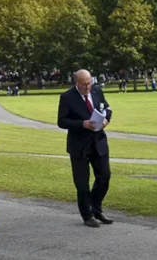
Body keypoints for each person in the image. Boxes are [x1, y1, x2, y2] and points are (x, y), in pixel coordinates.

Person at [57, 69, 113, 228]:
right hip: (79, 145)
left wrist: (106, 120)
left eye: (89, 83)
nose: (87, 87)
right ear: (76, 83)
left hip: (98, 142)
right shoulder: (67, 97)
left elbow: (107, 109)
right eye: (83, 85)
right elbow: (62, 121)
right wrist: (82, 124)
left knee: (104, 176)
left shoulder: (97, 91)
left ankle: (96, 208)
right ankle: (87, 215)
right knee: (82, 183)